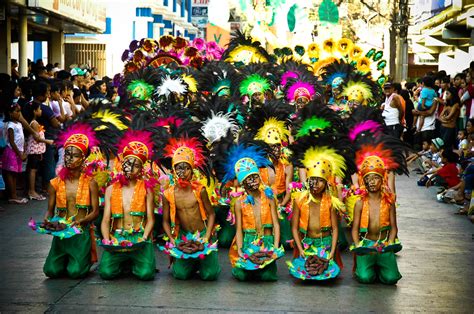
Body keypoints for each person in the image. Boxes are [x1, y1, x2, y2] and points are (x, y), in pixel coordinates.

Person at [43, 123, 99, 278]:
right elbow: (50, 210)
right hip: (60, 234)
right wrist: (47, 220)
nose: (69, 158)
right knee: (51, 271)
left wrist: (82, 221)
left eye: (74, 155)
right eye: (67, 154)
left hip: (80, 233)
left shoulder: (91, 182)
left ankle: (84, 258)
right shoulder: (54, 183)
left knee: (75, 273)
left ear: (83, 158)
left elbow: (95, 211)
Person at [99, 130, 156, 281]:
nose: (129, 168)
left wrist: (143, 238)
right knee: (106, 273)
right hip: (117, 238)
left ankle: (134, 262)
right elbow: (105, 219)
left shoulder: (147, 189)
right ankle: (124, 263)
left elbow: (151, 219)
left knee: (146, 275)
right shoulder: (111, 189)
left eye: (135, 165)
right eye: (127, 163)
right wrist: (107, 240)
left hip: (140, 238)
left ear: (141, 169)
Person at [162, 138, 220, 281]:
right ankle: (191, 264)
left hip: (202, 234)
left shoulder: (200, 191)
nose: (183, 172)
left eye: (186, 168)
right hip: (183, 236)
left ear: (192, 170)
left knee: (210, 275)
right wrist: (172, 239)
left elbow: (211, 214)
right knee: (181, 275)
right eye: (179, 168)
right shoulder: (167, 194)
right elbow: (164, 221)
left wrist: (206, 237)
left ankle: (204, 263)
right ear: (173, 170)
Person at [224, 144, 280, 281]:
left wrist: (276, 247)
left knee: (268, 277)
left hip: (267, 242)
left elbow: (276, 225)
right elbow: (238, 229)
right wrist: (240, 250)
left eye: (255, 177)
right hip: (248, 242)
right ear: (243, 183)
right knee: (243, 276)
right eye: (249, 178)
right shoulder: (239, 202)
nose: (253, 181)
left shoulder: (269, 198)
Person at [351, 142, 405, 285]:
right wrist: (358, 246)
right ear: (364, 182)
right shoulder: (360, 202)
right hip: (366, 244)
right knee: (365, 278)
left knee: (391, 279)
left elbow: (394, 227)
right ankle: (367, 268)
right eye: (368, 179)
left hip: (384, 243)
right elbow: (355, 228)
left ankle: (380, 267)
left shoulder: (389, 201)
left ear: (382, 180)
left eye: (375, 178)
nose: (372, 182)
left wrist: (390, 243)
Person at [25, 102, 54, 200]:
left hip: (36, 151)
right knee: (33, 170)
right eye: (39, 109)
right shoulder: (34, 123)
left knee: (34, 169)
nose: (41, 111)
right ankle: (32, 191)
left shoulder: (34, 122)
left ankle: (32, 190)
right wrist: (48, 141)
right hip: (34, 150)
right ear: (34, 111)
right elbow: (37, 138)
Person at [1, 103, 28, 204]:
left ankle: (14, 194)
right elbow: (12, 142)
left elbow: (21, 138)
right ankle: (12, 195)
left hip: (18, 151)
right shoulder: (10, 125)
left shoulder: (19, 124)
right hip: (12, 151)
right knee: (10, 173)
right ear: (10, 113)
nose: (19, 113)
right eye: (17, 111)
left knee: (15, 173)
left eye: (20, 111)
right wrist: (20, 154)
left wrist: (23, 150)